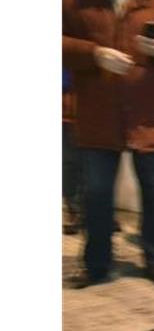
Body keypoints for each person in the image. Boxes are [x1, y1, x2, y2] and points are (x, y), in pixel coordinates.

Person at [62, 0, 154, 288]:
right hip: (98, 115)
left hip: (150, 117)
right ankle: (96, 264)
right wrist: (93, 54)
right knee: (95, 196)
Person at [62, 69, 82, 236]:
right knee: (71, 162)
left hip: (94, 104)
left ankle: (98, 212)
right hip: (68, 106)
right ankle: (74, 212)